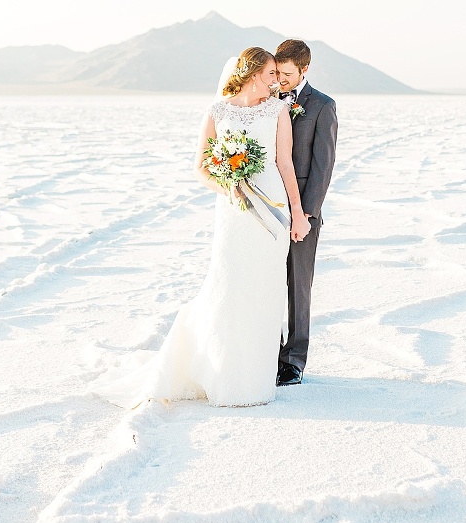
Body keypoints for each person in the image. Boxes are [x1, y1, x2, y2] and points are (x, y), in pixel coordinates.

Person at [90, 47, 311, 409]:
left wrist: (298, 214)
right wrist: (229, 185)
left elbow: (285, 164)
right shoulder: (218, 111)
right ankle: (225, 375)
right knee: (231, 286)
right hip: (234, 212)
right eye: (271, 73)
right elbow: (201, 168)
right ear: (253, 74)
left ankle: (255, 379)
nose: (277, 81)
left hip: (272, 207)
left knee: (265, 289)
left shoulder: (277, 110)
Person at [274, 39, 338, 386]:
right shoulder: (267, 99)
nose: (281, 79)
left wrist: (307, 215)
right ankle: (267, 352)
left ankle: (293, 361)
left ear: (304, 69)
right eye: (278, 72)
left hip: (302, 211)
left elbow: (322, 166)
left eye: (287, 74)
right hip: (267, 205)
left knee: (298, 286)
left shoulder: (322, 106)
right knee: (266, 282)